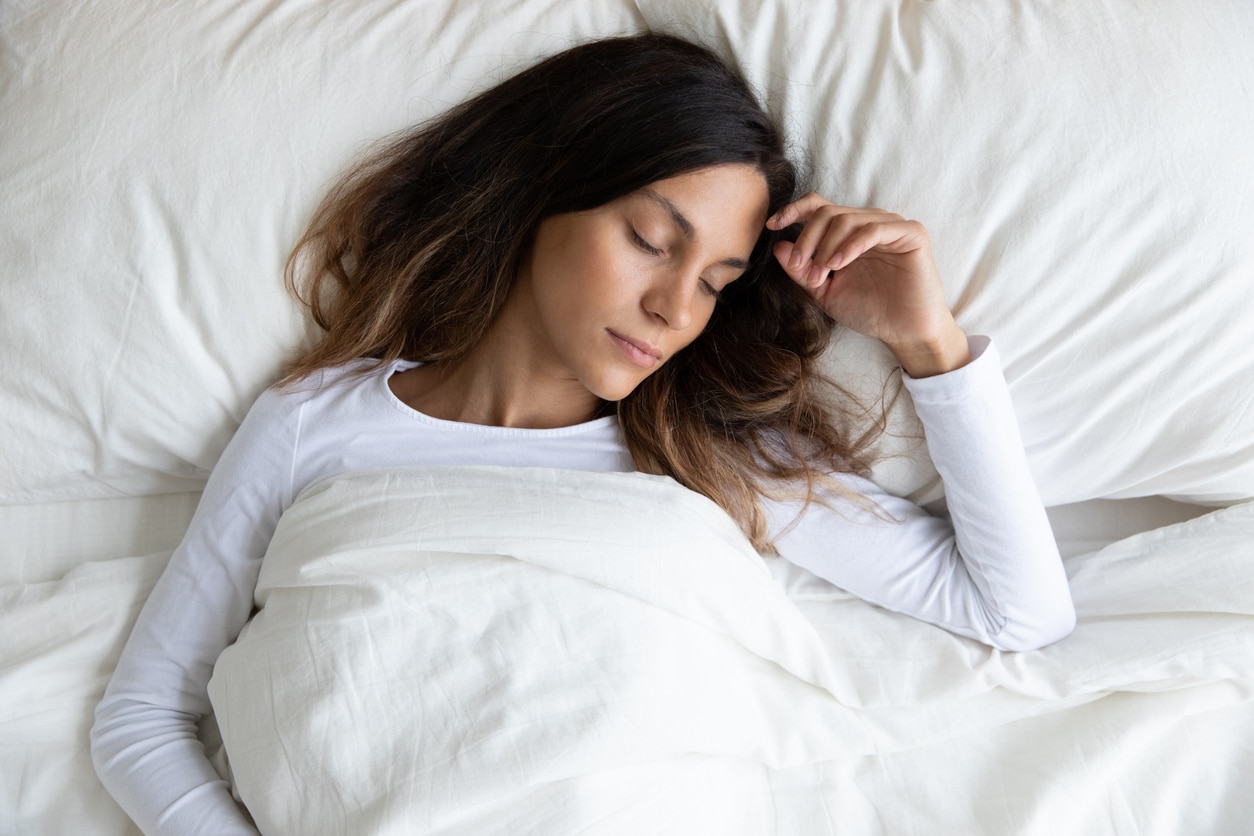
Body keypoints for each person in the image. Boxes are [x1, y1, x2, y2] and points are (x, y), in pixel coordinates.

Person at [91, 33, 1074, 834]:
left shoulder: (707, 452)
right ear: (541, 192)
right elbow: (141, 718)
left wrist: (929, 343)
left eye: (715, 283)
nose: (673, 307)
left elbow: (1016, 611)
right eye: (650, 240)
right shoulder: (314, 421)